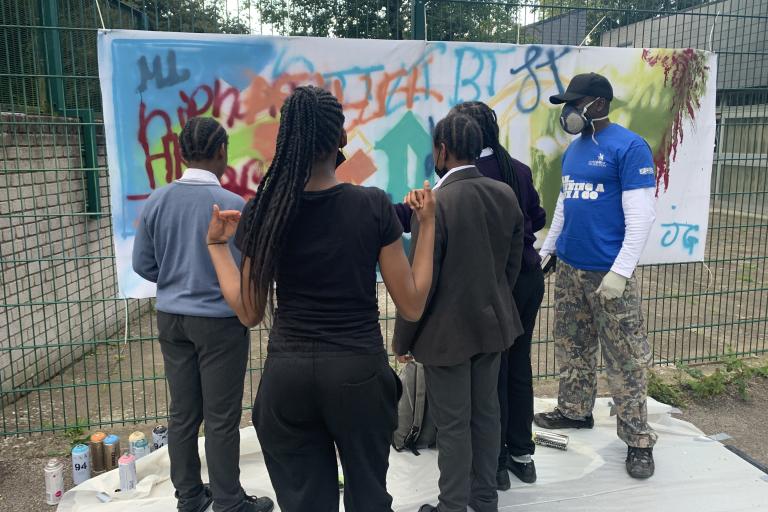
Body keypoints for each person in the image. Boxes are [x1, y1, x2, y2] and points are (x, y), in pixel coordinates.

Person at [205, 85, 436, 512]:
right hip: (358, 375)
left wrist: (219, 248)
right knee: (369, 498)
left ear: (286, 139)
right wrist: (428, 225)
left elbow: (250, 312)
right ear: (341, 139)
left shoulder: (265, 209)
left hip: (287, 379)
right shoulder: (372, 206)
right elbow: (413, 304)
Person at [132, 117, 274, 512]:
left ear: (180, 153)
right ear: (222, 152)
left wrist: (176, 278)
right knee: (221, 417)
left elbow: (144, 264)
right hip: (219, 322)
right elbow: (249, 267)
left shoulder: (157, 200)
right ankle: (229, 501)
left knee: (183, 413)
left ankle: (190, 497)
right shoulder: (233, 204)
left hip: (171, 319)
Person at [393, 112, 524, 512]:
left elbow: (419, 282)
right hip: (493, 326)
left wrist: (404, 339)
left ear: (442, 150)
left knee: (452, 424)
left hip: (444, 335)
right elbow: (512, 265)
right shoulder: (504, 193)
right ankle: (484, 499)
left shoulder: (436, 205)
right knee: (486, 416)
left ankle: (451, 505)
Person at [534, 72, 658, 479]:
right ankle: (574, 411)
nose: (570, 111)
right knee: (573, 344)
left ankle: (638, 440)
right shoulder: (576, 149)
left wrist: (621, 272)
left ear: (599, 104)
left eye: (576, 102)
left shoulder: (629, 147)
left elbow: (641, 217)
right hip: (571, 268)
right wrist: (549, 249)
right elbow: (566, 205)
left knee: (625, 357)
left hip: (608, 273)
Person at [451, 101, 547, 489]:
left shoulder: (464, 178)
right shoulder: (517, 170)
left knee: (493, 374)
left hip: (494, 284)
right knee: (518, 365)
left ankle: (495, 463)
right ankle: (522, 454)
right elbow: (536, 218)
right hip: (527, 279)